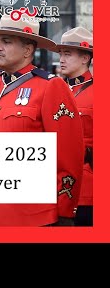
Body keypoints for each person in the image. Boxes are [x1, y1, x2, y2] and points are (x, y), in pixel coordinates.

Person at [0, 13, 84, 227]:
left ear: (27, 49)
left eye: (6, 41)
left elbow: (67, 155)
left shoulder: (50, 86)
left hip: (33, 215)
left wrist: (64, 210)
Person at [55, 26, 93, 226]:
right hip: (55, 187)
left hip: (86, 190)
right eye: (61, 54)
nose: (61, 59)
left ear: (85, 58)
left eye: (67, 54)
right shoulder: (55, 90)